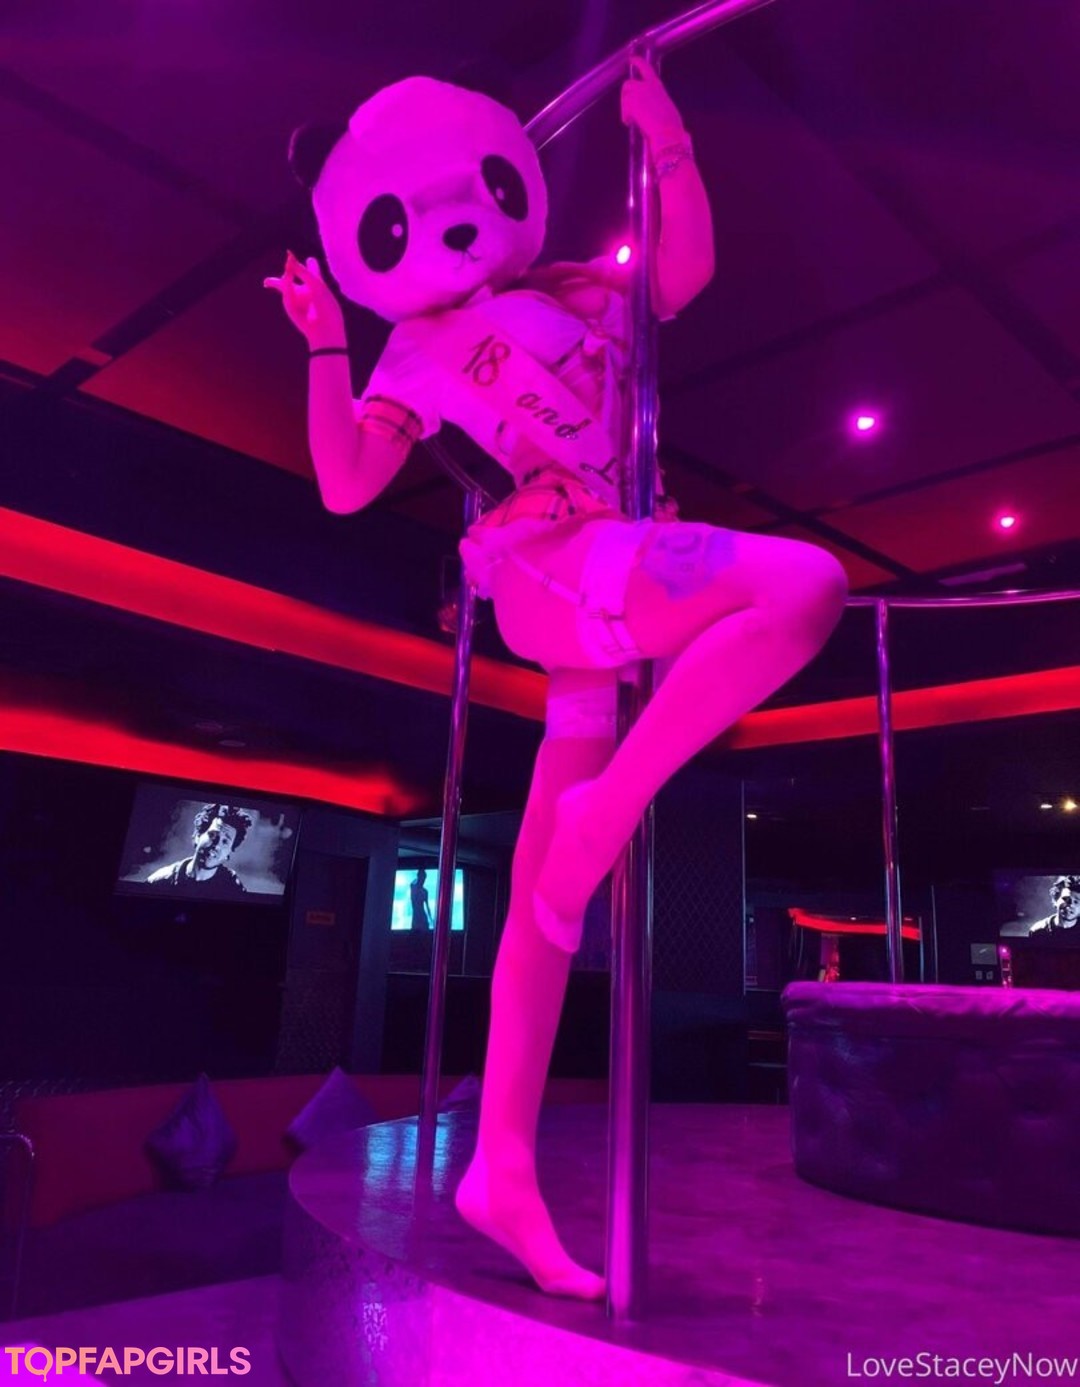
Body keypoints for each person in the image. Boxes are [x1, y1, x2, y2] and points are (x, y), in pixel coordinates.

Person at [267, 61, 847, 1301]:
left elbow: (683, 275)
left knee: (546, 902)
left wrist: (669, 139)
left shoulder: (576, 290)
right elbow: (348, 483)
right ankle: (613, 807)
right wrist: (325, 340)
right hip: (564, 562)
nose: (454, 227)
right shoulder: (413, 351)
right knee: (802, 587)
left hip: (614, 564)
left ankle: (503, 1165)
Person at [145, 803, 254, 896]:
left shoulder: (234, 891)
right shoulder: (160, 881)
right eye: (212, 835)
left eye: (225, 841)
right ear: (197, 836)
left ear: (229, 853)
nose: (216, 845)